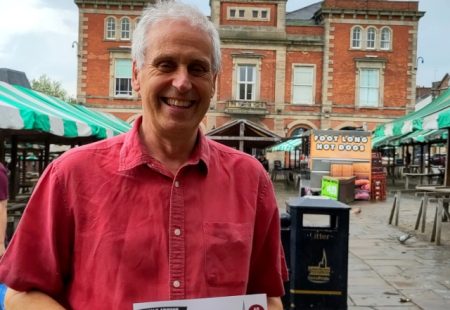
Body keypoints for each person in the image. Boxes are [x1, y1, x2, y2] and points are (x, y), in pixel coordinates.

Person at [0, 1, 287, 309]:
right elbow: (21, 295)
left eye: (198, 68)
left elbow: (268, 297)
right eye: (165, 65)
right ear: (136, 75)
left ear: (214, 82)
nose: (182, 82)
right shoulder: (70, 175)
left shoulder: (250, 179)